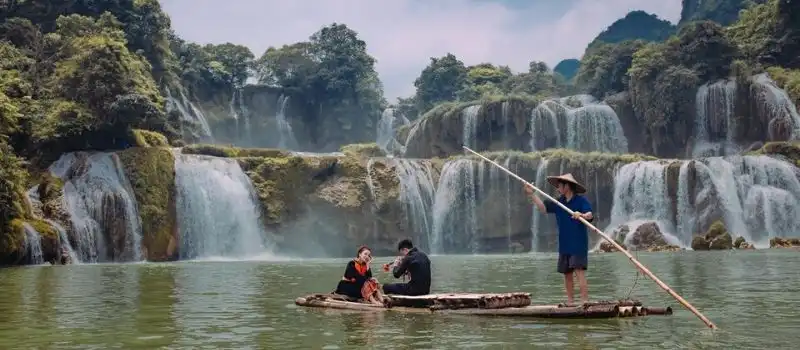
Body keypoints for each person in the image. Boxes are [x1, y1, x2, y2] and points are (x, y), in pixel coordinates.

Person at [524, 173, 594, 305]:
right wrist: (532, 194)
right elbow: (543, 209)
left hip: (578, 244)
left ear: (567, 186)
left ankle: (585, 302)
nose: (557, 188)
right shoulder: (559, 202)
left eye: (559, 185)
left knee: (579, 273)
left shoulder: (581, 201)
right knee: (567, 274)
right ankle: (570, 302)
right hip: (564, 244)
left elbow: (590, 214)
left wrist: (582, 215)